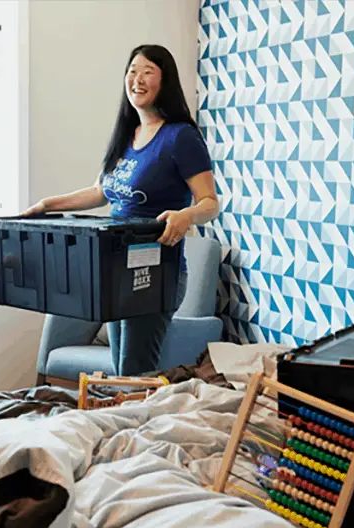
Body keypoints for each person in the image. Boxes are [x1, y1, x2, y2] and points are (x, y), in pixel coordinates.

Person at [22, 44, 219, 376]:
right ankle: (120, 424)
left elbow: (210, 203)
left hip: (154, 272)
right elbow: (101, 192)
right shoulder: (127, 136)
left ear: (164, 81)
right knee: (120, 370)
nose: (137, 79)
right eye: (132, 71)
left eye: (147, 72)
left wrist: (184, 216)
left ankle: (140, 425)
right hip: (114, 271)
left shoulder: (180, 137)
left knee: (134, 371)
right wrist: (47, 205)